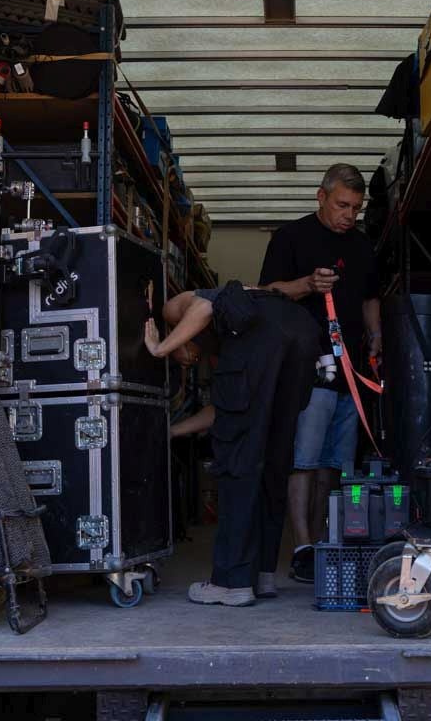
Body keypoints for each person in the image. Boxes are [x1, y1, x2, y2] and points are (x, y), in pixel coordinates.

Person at [145, 282, 319, 606]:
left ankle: (231, 582)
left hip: (269, 340)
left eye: (184, 358)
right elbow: (228, 408)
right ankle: (263, 576)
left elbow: (202, 307)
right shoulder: (241, 328)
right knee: (272, 462)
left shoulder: (175, 310)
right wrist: (174, 430)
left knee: (238, 464)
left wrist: (161, 348)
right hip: (302, 333)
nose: (188, 361)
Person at [258, 163, 381, 582]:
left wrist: (376, 334)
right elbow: (267, 294)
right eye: (342, 205)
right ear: (321, 197)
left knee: (338, 464)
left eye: (356, 208)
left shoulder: (364, 247)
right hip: (306, 369)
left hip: (351, 369)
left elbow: (370, 298)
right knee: (304, 460)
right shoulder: (290, 237)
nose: (349, 214)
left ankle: (329, 541)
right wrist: (308, 285)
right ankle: (303, 547)